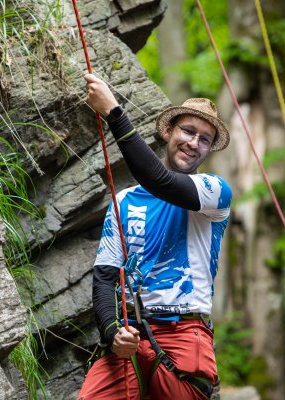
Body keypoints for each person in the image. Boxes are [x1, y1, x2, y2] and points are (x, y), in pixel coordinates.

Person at [78, 74, 232, 400]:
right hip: (129, 335)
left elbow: (160, 180)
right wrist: (111, 333)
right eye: (188, 131)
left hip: (185, 333)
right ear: (168, 131)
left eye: (204, 139)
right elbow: (105, 277)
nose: (194, 143)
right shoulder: (125, 202)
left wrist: (113, 113)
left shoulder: (215, 192)